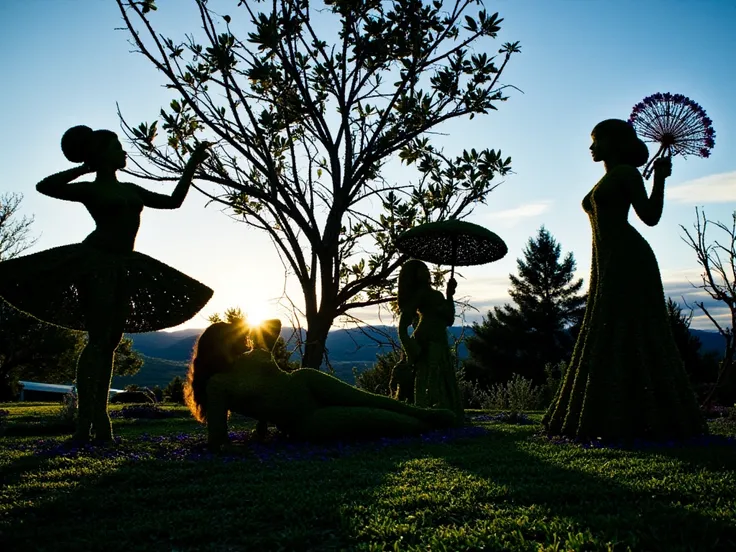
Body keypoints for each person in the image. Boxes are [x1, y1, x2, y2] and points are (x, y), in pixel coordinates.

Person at [0, 125, 213, 442]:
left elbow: (173, 202)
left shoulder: (131, 189)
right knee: (99, 341)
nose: (123, 152)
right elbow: (46, 186)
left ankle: (99, 423)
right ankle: (86, 424)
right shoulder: (92, 189)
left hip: (125, 265)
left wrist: (192, 165)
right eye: (116, 147)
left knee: (110, 342)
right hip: (95, 263)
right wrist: (86, 167)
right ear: (101, 155)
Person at [542, 119, 706, 442]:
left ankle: (644, 412)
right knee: (606, 325)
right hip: (607, 262)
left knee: (628, 327)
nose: (591, 147)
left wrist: (659, 179)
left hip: (631, 261)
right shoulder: (611, 177)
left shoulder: (627, 174)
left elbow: (651, 216)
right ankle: (603, 411)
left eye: (596, 140)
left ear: (613, 142)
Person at [184, 319, 459, 452]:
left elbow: (273, 324)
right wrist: (245, 441)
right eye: (232, 336)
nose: (241, 338)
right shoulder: (217, 384)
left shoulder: (250, 356)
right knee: (375, 419)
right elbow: (217, 438)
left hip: (306, 381)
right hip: (304, 418)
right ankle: (427, 425)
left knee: (368, 399)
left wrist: (242, 324)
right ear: (217, 345)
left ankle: (427, 414)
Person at [392, 259, 464, 420]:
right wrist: (411, 348)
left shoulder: (437, 294)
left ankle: (443, 412)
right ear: (414, 275)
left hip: (440, 341)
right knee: (424, 378)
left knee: (441, 377)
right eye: (421, 270)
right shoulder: (419, 295)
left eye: (426, 269)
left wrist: (449, 295)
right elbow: (403, 326)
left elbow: (449, 320)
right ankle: (424, 412)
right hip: (425, 341)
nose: (426, 272)